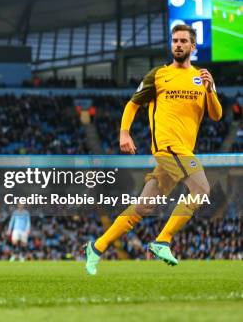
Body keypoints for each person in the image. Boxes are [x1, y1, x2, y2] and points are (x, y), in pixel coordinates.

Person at [84, 24, 222, 275]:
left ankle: (96, 246)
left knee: (143, 206)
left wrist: (211, 89)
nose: (178, 44)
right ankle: (162, 240)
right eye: (174, 40)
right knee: (201, 189)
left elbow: (216, 115)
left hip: (181, 151)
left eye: (183, 41)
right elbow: (133, 104)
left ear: (193, 46)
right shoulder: (158, 75)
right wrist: (124, 132)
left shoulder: (201, 78)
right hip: (168, 146)